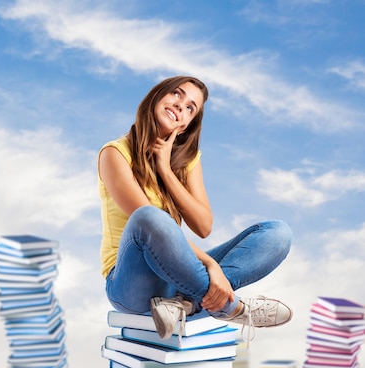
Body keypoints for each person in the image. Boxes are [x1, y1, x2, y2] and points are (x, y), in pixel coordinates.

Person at [98, 75, 293, 341]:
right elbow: (144, 219)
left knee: (278, 233)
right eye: (177, 95)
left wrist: (165, 169)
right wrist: (211, 265)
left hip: (176, 280)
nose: (181, 106)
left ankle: (184, 304)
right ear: (157, 96)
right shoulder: (114, 153)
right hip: (129, 284)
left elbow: (203, 226)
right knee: (149, 217)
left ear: (188, 124)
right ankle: (231, 307)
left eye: (191, 108)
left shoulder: (187, 161)